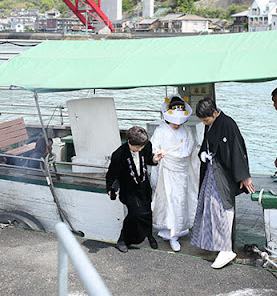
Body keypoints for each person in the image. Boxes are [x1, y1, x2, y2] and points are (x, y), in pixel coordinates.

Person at [191, 97, 255, 269]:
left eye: (206, 119)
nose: (204, 123)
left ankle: (226, 248)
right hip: (212, 169)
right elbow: (207, 144)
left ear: (214, 112)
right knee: (208, 205)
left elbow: (237, 148)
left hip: (222, 172)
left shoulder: (228, 123)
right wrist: (203, 153)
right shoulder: (210, 123)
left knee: (221, 207)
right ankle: (215, 244)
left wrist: (244, 176)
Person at [150, 95, 199, 252]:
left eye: (179, 122)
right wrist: (159, 153)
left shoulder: (187, 130)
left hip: (182, 170)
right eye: (173, 122)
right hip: (167, 168)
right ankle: (170, 233)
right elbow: (153, 146)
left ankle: (176, 231)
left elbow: (191, 147)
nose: (176, 125)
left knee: (180, 201)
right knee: (169, 201)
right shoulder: (161, 129)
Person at [106, 126, 164, 253]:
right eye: (136, 148)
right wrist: (111, 189)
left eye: (141, 147)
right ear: (129, 142)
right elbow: (111, 174)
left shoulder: (145, 145)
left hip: (143, 185)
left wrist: (154, 159)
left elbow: (148, 158)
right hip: (129, 188)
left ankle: (149, 235)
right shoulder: (119, 154)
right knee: (134, 214)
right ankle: (123, 239)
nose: (139, 150)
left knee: (148, 211)